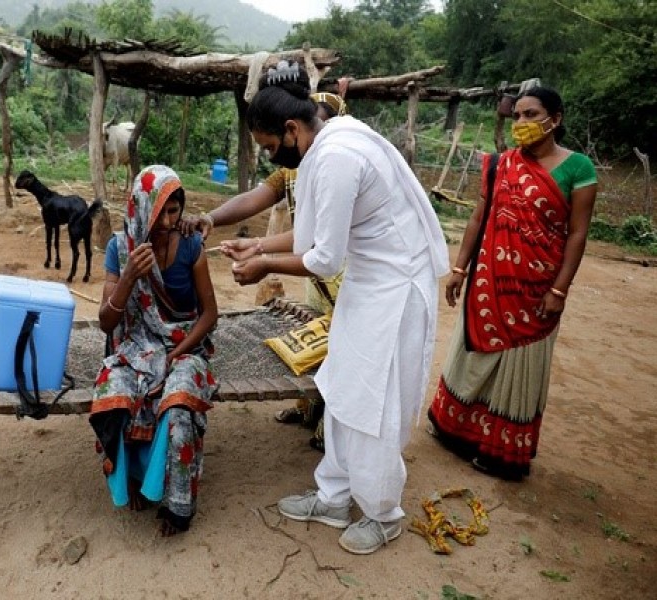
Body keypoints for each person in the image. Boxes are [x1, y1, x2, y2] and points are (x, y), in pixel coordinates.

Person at [223, 60, 449, 555]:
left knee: (374, 399)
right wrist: (259, 249)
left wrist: (264, 267)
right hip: (369, 283)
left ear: (290, 129)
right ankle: (334, 496)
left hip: (394, 289)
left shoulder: (339, 155)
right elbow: (312, 236)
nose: (269, 158)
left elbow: (324, 259)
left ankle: (383, 512)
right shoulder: (325, 144)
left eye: (268, 147)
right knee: (344, 385)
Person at [427, 86, 598, 481]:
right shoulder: (500, 164)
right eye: (517, 115)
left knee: (520, 363)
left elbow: (577, 235)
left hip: (538, 286)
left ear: (555, 119)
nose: (522, 123)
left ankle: (502, 451)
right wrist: (459, 269)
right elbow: (477, 218)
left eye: (531, 114)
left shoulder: (578, 168)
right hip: (489, 280)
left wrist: (559, 290)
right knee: (474, 355)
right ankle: (456, 431)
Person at [178, 92, 348, 451]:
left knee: (343, 347)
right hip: (316, 273)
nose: (273, 154)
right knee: (318, 340)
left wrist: (263, 255)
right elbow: (255, 198)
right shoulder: (293, 167)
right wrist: (212, 218)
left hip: (342, 273)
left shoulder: (336, 166)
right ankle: (311, 407)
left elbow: (322, 241)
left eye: (271, 146)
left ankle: (332, 427)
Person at [89, 165, 219, 536]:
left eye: (174, 211)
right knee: (113, 395)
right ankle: (133, 479)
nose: (166, 221)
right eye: (159, 211)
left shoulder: (191, 246)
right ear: (141, 208)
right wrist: (129, 275)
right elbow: (105, 323)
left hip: (184, 344)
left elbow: (209, 315)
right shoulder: (120, 248)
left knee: (178, 405)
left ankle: (179, 507)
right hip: (136, 345)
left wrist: (181, 352)